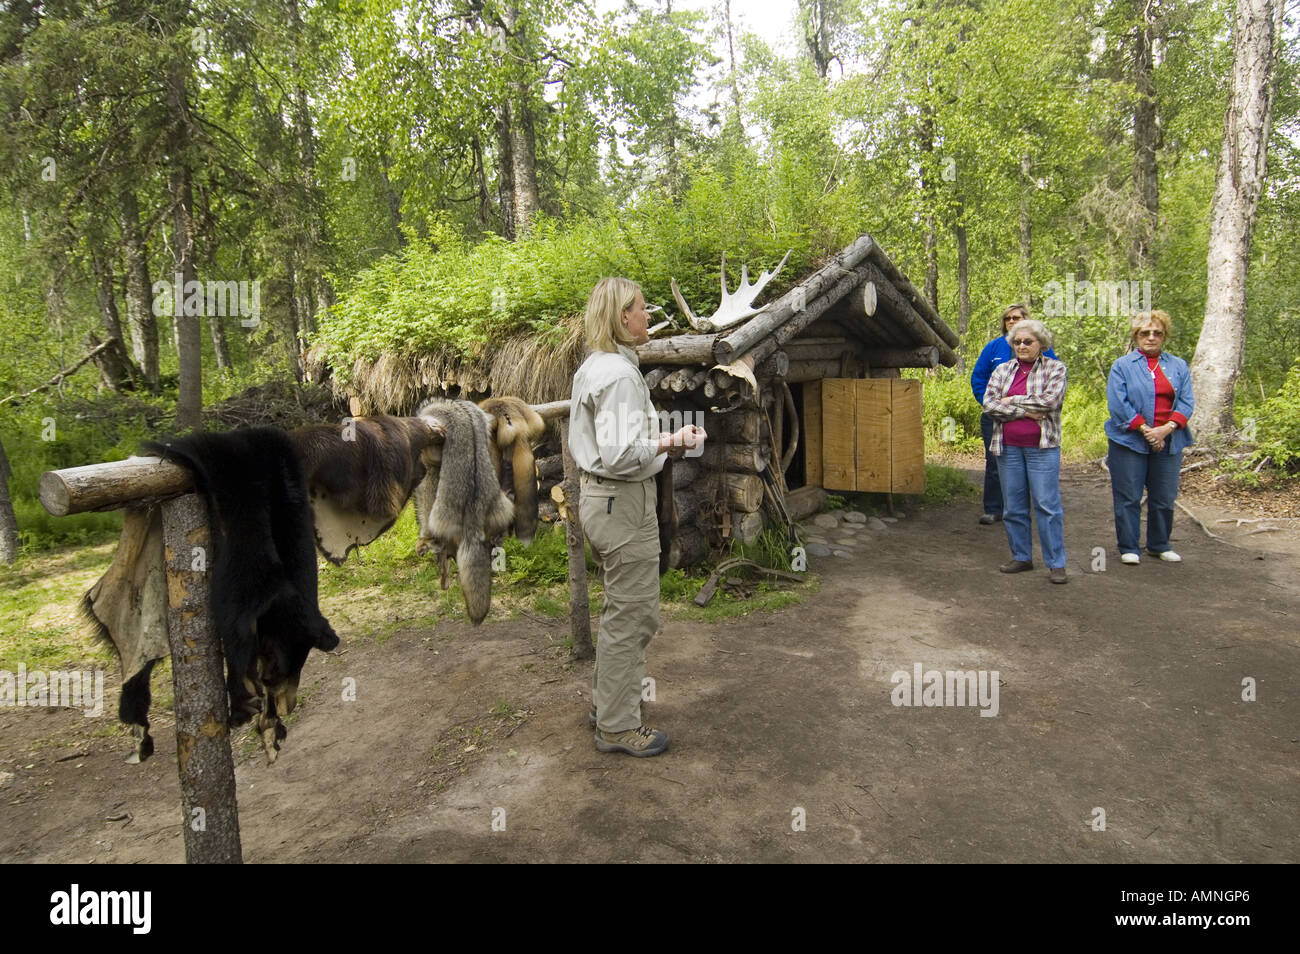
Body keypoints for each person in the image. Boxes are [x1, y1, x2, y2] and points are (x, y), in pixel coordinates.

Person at [568, 277, 706, 757]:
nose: (649, 316)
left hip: (604, 500)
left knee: (620, 610)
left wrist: (662, 438)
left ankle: (607, 706)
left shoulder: (596, 366)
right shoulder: (621, 376)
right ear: (622, 317)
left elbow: (613, 444)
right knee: (635, 614)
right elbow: (623, 454)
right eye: (643, 310)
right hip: (622, 503)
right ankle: (618, 727)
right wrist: (672, 442)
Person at [981, 318, 1069, 583]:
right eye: (1017, 342)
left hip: (1042, 448)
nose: (1021, 346)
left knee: (1047, 505)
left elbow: (1050, 402)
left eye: (1027, 341)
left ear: (1041, 344)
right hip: (1007, 448)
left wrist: (1010, 401)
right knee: (1013, 506)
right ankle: (1021, 557)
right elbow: (989, 404)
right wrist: (1027, 411)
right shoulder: (1003, 370)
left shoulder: (1056, 368)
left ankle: (1056, 563)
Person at [1104, 310, 1195, 564]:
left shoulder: (1178, 365)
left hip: (1170, 440)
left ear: (1165, 336)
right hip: (1128, 441)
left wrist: (1165, 430)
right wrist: (1146, 430)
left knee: (1164, 497)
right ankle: (1129, 547)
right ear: (1136, 336)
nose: (1151, 337)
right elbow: (1118, 404)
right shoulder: (1122, 366)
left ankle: (1159, 544)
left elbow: (1187, 402)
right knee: (1129, 496)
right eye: (1145, 333)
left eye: (1157, 333)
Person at [970, 304, 1058, 525]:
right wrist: (989, 403)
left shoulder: (1043, 350)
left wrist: (1020, 406)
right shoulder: (993, 348)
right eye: (1008, 318)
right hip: (995, 417)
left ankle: (1024, 509)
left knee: (1030, 464)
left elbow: (1052, 390)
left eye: (1016, 317)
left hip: (1034, 420)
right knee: (994, 462)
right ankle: (993, 508)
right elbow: (978, 378)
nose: (1011, 321)